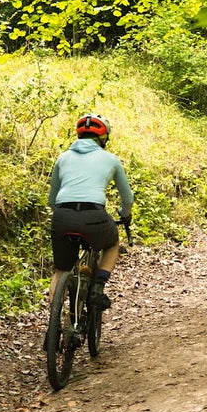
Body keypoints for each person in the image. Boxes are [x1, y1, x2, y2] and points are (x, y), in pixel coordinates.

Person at [48, 113, 133, 311]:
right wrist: (124, 214)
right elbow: (127, 198)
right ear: (103, 138)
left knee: (61, 268)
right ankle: (98, 287)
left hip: (63, 216)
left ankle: (53, 320)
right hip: (94, 217)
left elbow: (52, 201)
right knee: (112, 243)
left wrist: (67, 216)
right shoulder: (110, 159)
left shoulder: (63, 158)